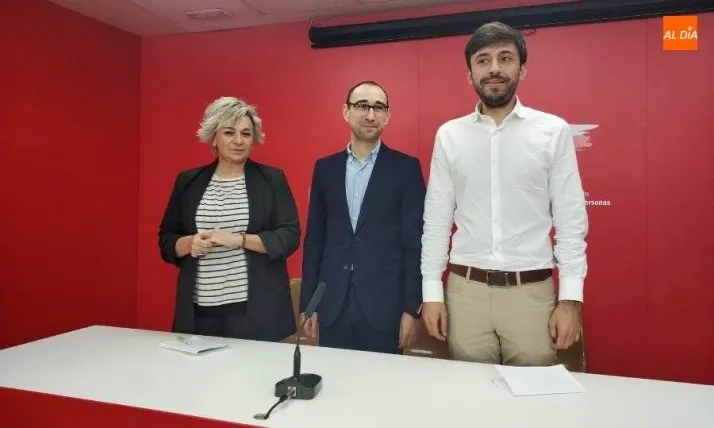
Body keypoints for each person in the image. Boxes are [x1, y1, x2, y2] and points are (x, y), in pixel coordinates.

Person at [420, 22, 588, 366]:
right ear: (470, 75)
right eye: (483, 60)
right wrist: (432, 291)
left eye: (505, 58)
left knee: (534, 394)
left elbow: (571, 220)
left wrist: (570, 299)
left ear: (522, 70)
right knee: (470, 393)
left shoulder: (553, 131)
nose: (494, 68)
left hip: (531, 294)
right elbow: (436, 220)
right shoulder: (449, 136)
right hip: (465, 294)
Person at [158, 96, 300, 342]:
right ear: (214, 137)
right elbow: (167, 240)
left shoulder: (272, 179)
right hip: (199, 309)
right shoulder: (188, 182)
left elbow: (289, 236)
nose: (238, 141)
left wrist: (239, 239)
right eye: (229, 132)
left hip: (255, 308)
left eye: (246, 134)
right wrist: (190, 243)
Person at [300, 80, 426, 354]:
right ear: (346, 112)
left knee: (383, 380)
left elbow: (415, 244)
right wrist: (309, 304)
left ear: (387, 116)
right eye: (362, 106)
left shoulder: (405, 169)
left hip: (385, 307)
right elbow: (315, 240)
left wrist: (412, 308)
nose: (370, 114)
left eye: (378, 107)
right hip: (333, 304)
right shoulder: (325, 169)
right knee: (334, 377)